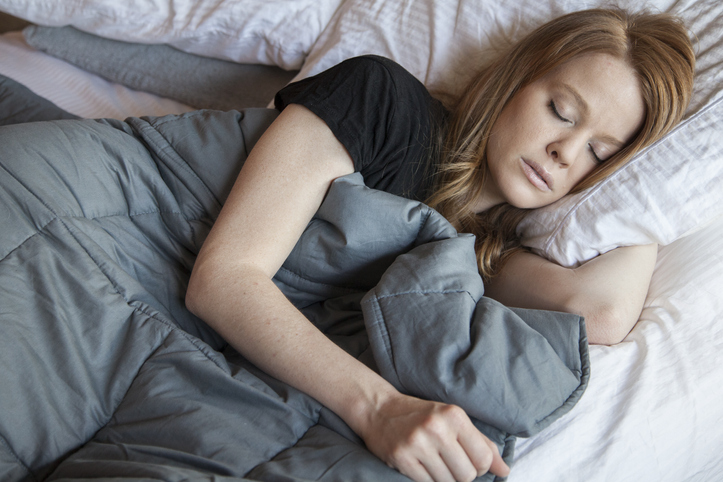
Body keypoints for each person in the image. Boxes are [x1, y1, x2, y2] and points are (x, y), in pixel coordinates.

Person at [186, 7, 695, 482]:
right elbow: (224, 278)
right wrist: (380, 408)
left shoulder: (484, 256)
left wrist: (644, 195)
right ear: (515, 79)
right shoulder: (381, 100)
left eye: (599, 152)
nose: (564, 151)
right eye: (561, 111)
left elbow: (598, 311)